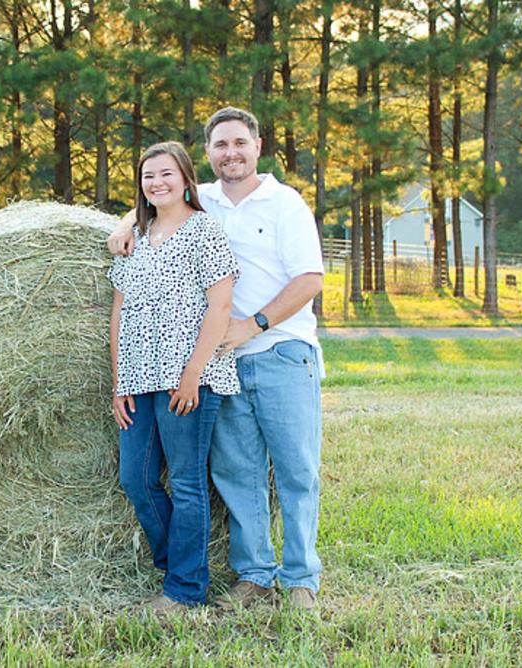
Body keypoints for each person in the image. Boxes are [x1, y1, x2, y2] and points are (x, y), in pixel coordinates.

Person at [107, 107, 325, 611]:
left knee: (295, 470)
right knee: (235, 472)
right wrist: (122, 223)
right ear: (206, 155)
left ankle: (300, 580)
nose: (231, 153)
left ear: (258, 145)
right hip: (218, 364)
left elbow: (310, 280)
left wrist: (253, 326)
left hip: (278, 350)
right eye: (220, 146)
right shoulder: (203, 201)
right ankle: (253, 574)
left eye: (239, 143)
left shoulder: (285, 203)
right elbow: (156, 199)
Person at [109, 141, 240, 612]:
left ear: (186, 179)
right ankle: (177, 566)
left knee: (185, 482)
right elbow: (119, 310)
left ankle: (185, 591)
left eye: (166, 174)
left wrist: (192, 374)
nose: (157, 183)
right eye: (148, 176)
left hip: (188, 378)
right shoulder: (136, 237)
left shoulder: (204, 230)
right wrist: (118, 381)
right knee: (135, 479)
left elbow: (220, 306)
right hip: (139, 378)